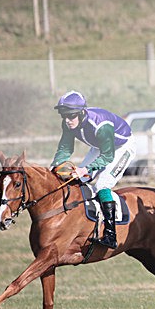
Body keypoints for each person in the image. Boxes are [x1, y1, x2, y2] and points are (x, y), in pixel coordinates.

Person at [51, 91, 136, 249]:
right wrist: (54, 167)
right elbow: (65, 149)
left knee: (102, 185)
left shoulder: (100, 125)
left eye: (71, 115)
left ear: (82, 112)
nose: (67, 120)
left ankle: (111, 235)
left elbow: (108, 156)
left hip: (120, 148)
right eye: (64, 116)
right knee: (77, 180)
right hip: (99, 147)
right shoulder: (68, 124)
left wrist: (86, 169)